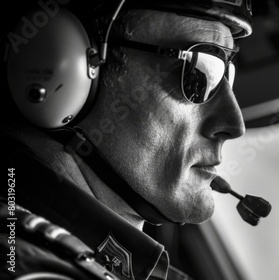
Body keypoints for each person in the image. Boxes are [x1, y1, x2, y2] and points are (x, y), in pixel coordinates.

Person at [1, 0, 252, 279]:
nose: (235, 124)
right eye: (200, 72)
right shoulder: (23, 265)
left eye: (227, 73)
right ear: (65, 66)